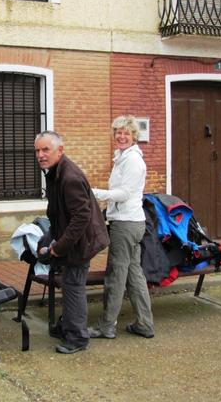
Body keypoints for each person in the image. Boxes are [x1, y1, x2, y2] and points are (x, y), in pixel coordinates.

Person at [34, 130, 109, 354]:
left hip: (82, 242)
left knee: (73, 285)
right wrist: (47, 239)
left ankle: (77, 338)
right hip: (73, 238)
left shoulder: (70, 177)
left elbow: (81, 218)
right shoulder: (55, 172)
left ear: (60, 150)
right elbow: (58, 213)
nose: (40, 155)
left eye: (46, 149)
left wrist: (58, 247)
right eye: (37, 150)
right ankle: (68, 326)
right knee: (69, 283)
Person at [88, 115, 154, 339]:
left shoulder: (133, 161)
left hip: (126, 224)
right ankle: (144, 324)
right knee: (134, 274)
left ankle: (106, 326)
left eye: (126, 133)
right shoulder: (123, 158)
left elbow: (125, 194)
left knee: (116, 275)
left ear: (134, 136)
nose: (121, 136)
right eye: (118, 132)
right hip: (131, 222)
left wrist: (96, 193)